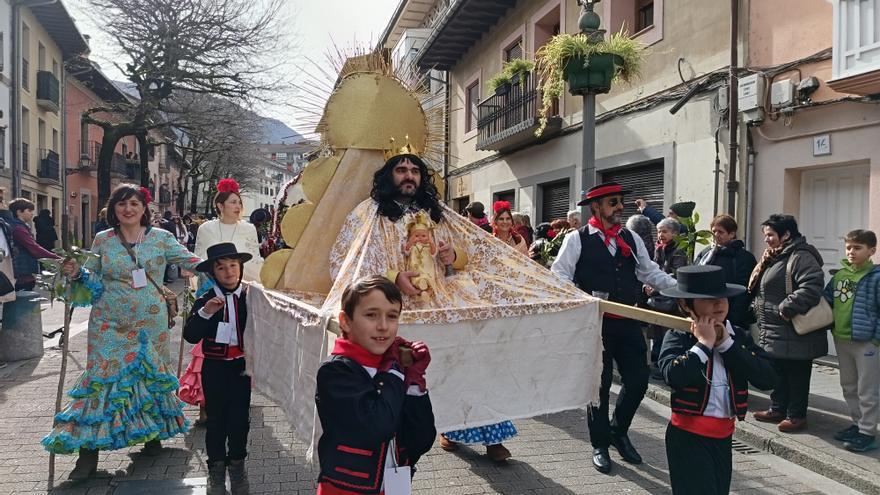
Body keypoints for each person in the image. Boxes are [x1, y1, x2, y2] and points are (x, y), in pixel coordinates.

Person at [45, 184, 202, 478]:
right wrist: (77, 273)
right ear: (113, 209)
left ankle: (152, 433)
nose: (127, 209)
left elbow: (192, 262)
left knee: (148, 374)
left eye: (133, 203)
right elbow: (93, 279)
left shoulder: (163, 239)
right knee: (100, 380)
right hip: (109, 323)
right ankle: (87, 456)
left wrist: (224, 270)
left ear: (145, 208)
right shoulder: (103, 240)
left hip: (150, 324)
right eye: (121, 204)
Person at [551, 181, 676, 474]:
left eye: (621, 202)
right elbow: (559, 275)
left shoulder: (629, 237)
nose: (620, 207)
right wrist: (582, 300)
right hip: (596, 326)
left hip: (629, 321)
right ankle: (600, 444)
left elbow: (649, 272)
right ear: (596, 207)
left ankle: (618, 430)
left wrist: (682, 290)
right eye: (614, 202)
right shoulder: (577, 239)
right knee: (600, 387)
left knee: (638, 381)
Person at [658, 265, 776, 495]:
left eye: (723, 298)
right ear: (686, 304)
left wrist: (726, 345)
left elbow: (767, 378)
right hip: (688, 438)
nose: (719, 304)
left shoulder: (737, 336)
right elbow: (674, 376)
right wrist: (703, 345)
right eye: (708, 299)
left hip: (723, 437)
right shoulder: (678, 336)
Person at [315, 275, 435, 494]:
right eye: (371, 315)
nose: (383, 326)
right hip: (346, 489)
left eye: (392, 316)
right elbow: (378, 425)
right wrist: (396, 370)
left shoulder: (391, 370)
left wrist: (415, 384)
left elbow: (421, 440)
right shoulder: (335, 372)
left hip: (392, 487)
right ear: (345, 321)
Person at [184, 242, 254, 494]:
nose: (228, 272)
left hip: (241, 368)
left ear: (241, 268)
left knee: (240, 420)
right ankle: (215, 467)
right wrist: (205, 312)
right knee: (216, 420)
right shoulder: (205, 299)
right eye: (221, 268)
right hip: (214, 368)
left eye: (233, 266)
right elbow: (190, 335)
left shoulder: (250, 296)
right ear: (213, 272)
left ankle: (237, 463)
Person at [748, 214, 827, 432]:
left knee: (797, 374)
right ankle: (777, 408)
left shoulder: (801, 256)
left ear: (786, 234)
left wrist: (786, 307)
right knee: (778, 372)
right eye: (765, 235)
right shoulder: (775, 256)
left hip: (793, 328)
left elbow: (811, 286)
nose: (767, 240)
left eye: (771, 235)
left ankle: (796, 415)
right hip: (775, 328)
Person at [823, 229, 880, 452]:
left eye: (857, 248)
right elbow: (826, 301)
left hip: (867, 344)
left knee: (867, 389)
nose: (851, 252)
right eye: (848, 247)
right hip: (842, 339)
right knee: (849, 386)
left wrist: (876, 339)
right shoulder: (840, 275)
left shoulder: (876, 277)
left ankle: (867, 431)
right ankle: (857, 423)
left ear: (871, 250)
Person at [194, 178, 263, 284]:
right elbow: (200, 260)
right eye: (233, 202)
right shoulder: (206, 229)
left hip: (243, 286)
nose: (238, 206)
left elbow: (255, 262)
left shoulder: (249, 228)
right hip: (212, 287)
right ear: (220, 206)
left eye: (239, 202)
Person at [694, 214, 758, 329]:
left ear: (732, 234)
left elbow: (744, 289)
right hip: (705, 315)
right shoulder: (706, 254)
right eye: (714, 231)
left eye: (721, 232)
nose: (716, 235)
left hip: (732, 319)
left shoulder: (743, 258)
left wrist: (734, 318)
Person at [646, 218, 688, 379]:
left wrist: (656, 286)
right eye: (659, 231)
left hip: (670, 300)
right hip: (658, 299)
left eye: (664, 231)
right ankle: (656, 363)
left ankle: (664, 365)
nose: (660, 235)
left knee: (666, 334)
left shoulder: (679, 250)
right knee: (656, 334)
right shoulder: (659, 249)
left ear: (675, 233)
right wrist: (648, 284)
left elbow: (676, 273)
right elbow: (653, 270)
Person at [8, 198, 60, 291]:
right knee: (24, 301)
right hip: (22, 273)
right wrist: (56, 257)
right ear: (19, 212)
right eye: (29, 211)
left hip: (24, 272)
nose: (32, 213)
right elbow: (33, 248)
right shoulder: (18, 229)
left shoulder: (21, 226)